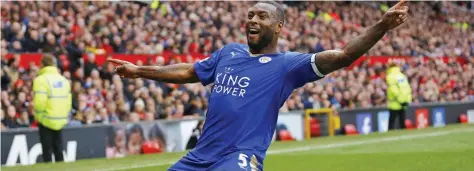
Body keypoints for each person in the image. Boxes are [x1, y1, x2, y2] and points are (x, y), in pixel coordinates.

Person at [109, 1, 409, 170]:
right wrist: (140, 71)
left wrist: (381, 25)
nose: (252, 20)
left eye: (262, 16)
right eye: (250, 15)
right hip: (199, 157)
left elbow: (344, 56)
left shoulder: (287, 66)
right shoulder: (228, 53)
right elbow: (190, 71)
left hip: (238, 158)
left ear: (278, 27)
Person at [33, 54, 72, 163]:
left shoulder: (40, 80)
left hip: (46, 119)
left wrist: (39, 116)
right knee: (59, 149)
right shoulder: (63, 80)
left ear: (42, 64)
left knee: (47, 150)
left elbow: (39, 103)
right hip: (60, 119)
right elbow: (68, 101)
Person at [386, 63, 412, 130]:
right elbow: (407, 88)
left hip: (395, 101)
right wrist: (406, 100)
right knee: (402, 120)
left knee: (392, 121)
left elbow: (393, 89)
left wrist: (399, 100)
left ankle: (390, 135)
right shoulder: (402, 75)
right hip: (404, 101)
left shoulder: (390, 76)